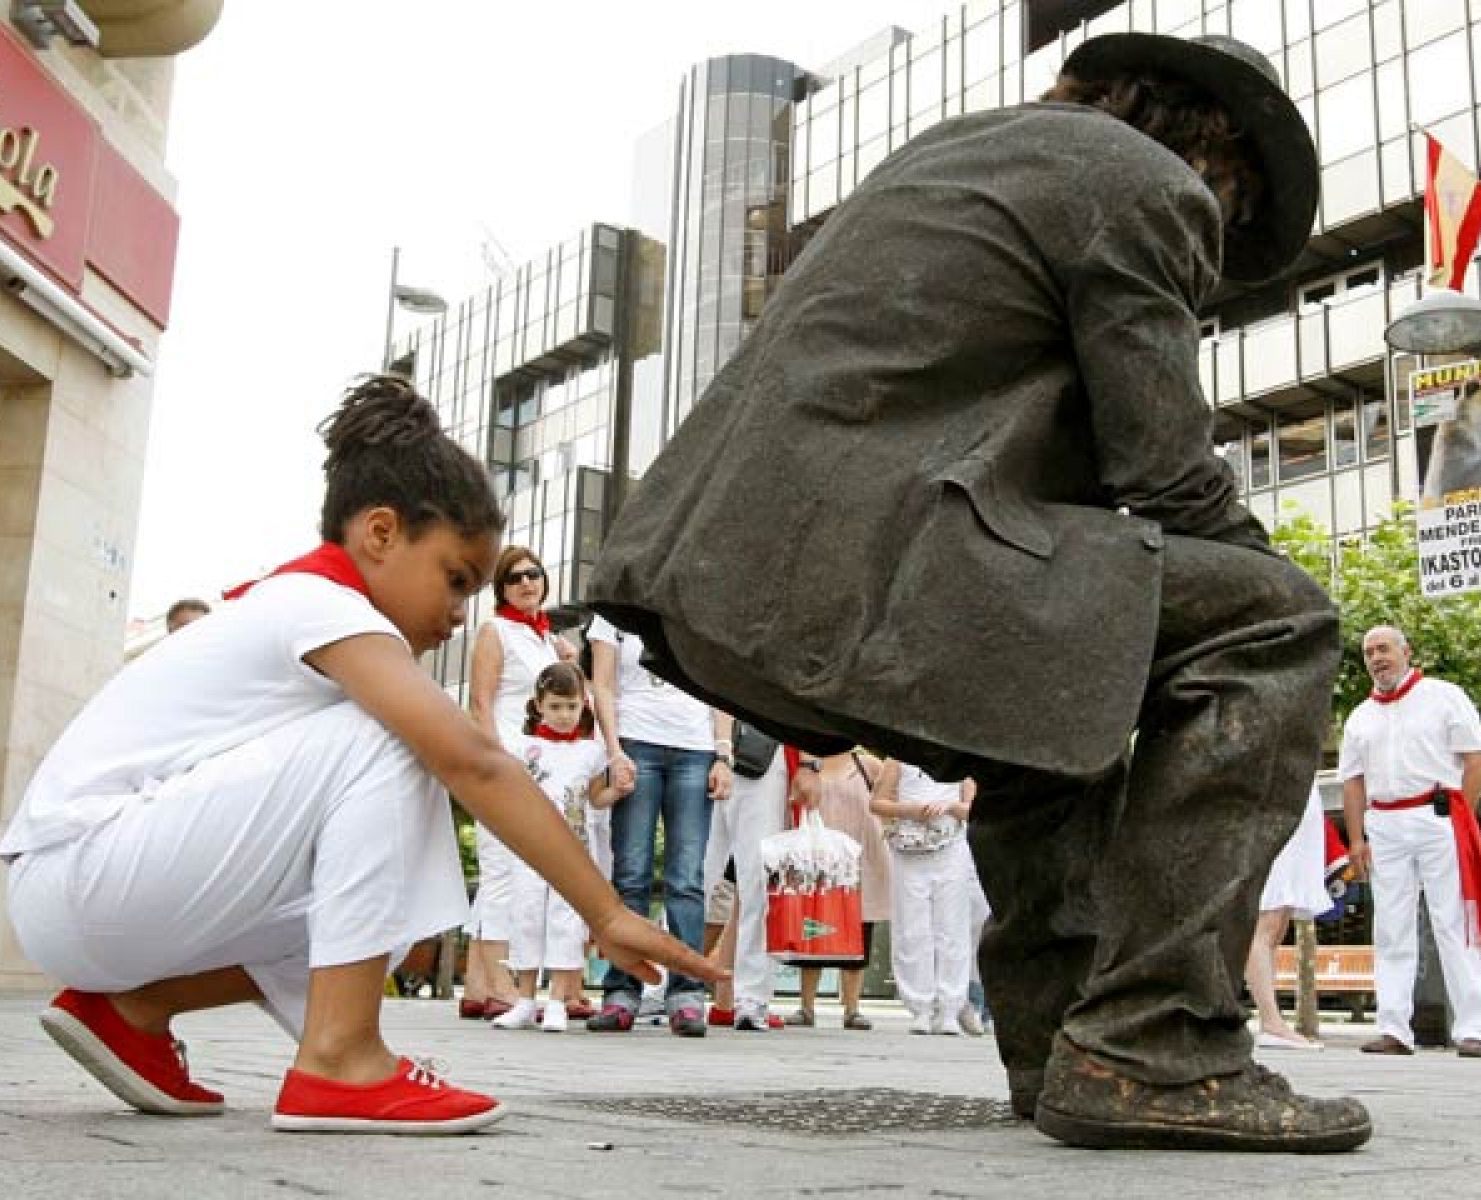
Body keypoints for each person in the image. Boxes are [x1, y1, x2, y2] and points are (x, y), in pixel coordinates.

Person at [587, 31, 1371, 1152]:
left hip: (731, 574)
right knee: (1278, 621)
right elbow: (1156, 464)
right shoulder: (1140, 180)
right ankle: (1157, 1042)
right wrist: (1260, 567)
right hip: (864, 558)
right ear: (1214, 153)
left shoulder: (958, 150)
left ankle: (1061, 1050)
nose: (1214, 232)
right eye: (1231, 206)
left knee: (1069, 655)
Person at [0, 375, 717, 1135]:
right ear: (380, 533)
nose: (459, 611)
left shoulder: (307, 607)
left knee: (384, 915)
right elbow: (474, 761)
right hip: (81, 872)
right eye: (454, 578)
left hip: (91, 890)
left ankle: (134, 1011)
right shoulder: (318, 605)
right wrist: (603, 912)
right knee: (403, 735)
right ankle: (340, 1060)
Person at [1339, 625, 1481, 1058]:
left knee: (1454, 920)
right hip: (1384, 822)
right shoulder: (1360, 716)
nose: (1377, 658)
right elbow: (1351, 782)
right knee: (1390, 926)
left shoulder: (1444, 696)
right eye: (1369, 652)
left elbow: (1476, 759)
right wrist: (1356, 840)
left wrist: (1461, 815)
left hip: (1437, 814)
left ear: (1406, 651)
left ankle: (1476, 1029)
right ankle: (1393, 1027)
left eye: (1384, 649)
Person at [586, 613, 731, 1037]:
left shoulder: (696, 606)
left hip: (695, 747)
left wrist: (722, 753)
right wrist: (613, 752)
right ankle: (621, 993)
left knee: (686, 877)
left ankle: (686, 996)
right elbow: (603, 686)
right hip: (635, 743)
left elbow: (718, 687)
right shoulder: (610, 616)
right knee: (630, 873)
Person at [461, 546, 568, 1021]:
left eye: (534, 575)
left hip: (536, 766)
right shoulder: (495, 631)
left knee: (508, 870)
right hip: (504, 762)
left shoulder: (547, 639)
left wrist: (569, 654)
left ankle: (477, 985)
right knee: (502, 869)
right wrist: (491, 762)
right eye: (515, 578)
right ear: (501, 589)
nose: (527, 583)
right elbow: (480, 704)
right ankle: (501, 983)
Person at [490, 662, 617, 1034]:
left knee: (566, 919)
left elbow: (595, 799)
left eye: (572, 707)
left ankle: (559, 998)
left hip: (573, 848)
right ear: (539, 705)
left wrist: (617, 790)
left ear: (583, 707)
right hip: (530, 847)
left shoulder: (591, 753)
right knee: (527, 914)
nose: (564, 715)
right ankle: (525, 998)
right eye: (556, 706)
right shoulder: (522, 747)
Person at [784, 749, 891, 1031]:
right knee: (811, 933)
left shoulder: (867, 764)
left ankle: (852, 1008)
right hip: (817, 859)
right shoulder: (808, 765)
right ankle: (806, 1006)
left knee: (858, 935)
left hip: (860, 860)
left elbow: (891, 798)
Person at [870, 760, 977, 1036]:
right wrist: (910, 810)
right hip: (910, 849)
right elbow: (877, 802)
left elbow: (973, 808)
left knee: (952, 928)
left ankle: (950, 1007)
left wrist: (952, 808)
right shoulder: (897, 759)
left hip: (950, 846)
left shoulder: (957, 754)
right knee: (911, 928)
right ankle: (920, 1007)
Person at [701, 720, 792, 1030]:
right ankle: (663, 987)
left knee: (758, 883)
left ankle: (751, 997)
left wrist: (809, 764)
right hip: (701, 748)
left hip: (761, 754)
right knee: (691, 878)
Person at [1244, 786, 1334, 1051]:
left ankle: (1272, 1020)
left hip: (1298, 812)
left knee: (1278, 924)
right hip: (1275, 812)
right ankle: (1270, 1020)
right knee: (1267, 919)